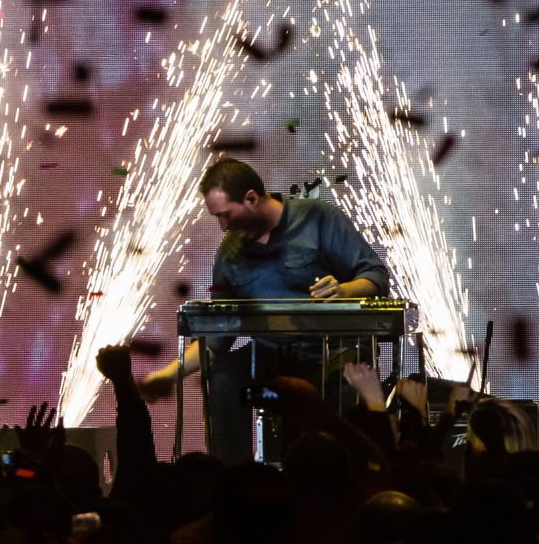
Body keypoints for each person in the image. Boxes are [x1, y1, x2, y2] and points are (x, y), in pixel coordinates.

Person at [139, 157, 389, 464]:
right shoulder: (229, 254)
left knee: (347, 397)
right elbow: (218, 337)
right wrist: (168, 375)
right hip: (271, 361)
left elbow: (375, 275)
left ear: (252, 198)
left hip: (332, 356)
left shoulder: (318, 219)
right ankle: (235, 480)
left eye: (227, 215)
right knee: (225, 376)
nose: (223, 226)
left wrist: (344, 290)